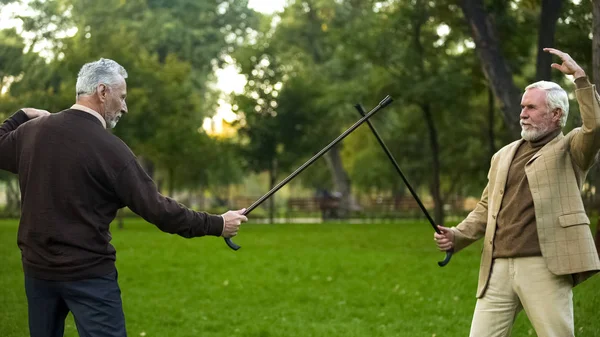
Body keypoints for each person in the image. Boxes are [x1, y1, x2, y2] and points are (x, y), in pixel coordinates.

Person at [0, 58, 248, 337]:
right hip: (89, 277)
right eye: (123, 97)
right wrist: (217, 224)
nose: (125, 107)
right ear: (103, 92)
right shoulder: (111, 150)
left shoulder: (31, 133)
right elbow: (158, 209)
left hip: (37, 273)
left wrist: (22, 114)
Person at [434, 48, 600, 337]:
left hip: (545, 266)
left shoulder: (571, 149)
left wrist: (580, 79)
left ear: (556, 114)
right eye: (523, 107)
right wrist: (457, 235)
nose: (522, 114)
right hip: (497, 266)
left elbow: (595, 126)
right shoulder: (503, 155)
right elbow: (487, 207)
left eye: (531, 108)